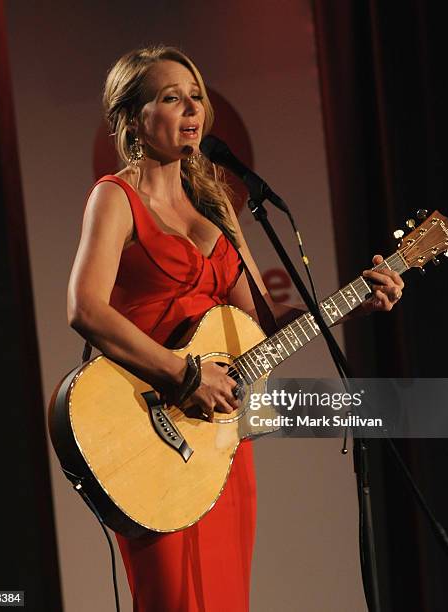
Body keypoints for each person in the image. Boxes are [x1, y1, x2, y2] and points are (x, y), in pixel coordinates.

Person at [67, 45, 404, 612]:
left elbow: (262, 332)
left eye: (195, 96)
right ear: (132, 118)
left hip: (216, 441)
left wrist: (354, 303)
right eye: (171, 98)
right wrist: (184, 373)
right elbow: (85, 309)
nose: (191, 109)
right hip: (150, 433)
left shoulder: (219, 205)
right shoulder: (115, 197)